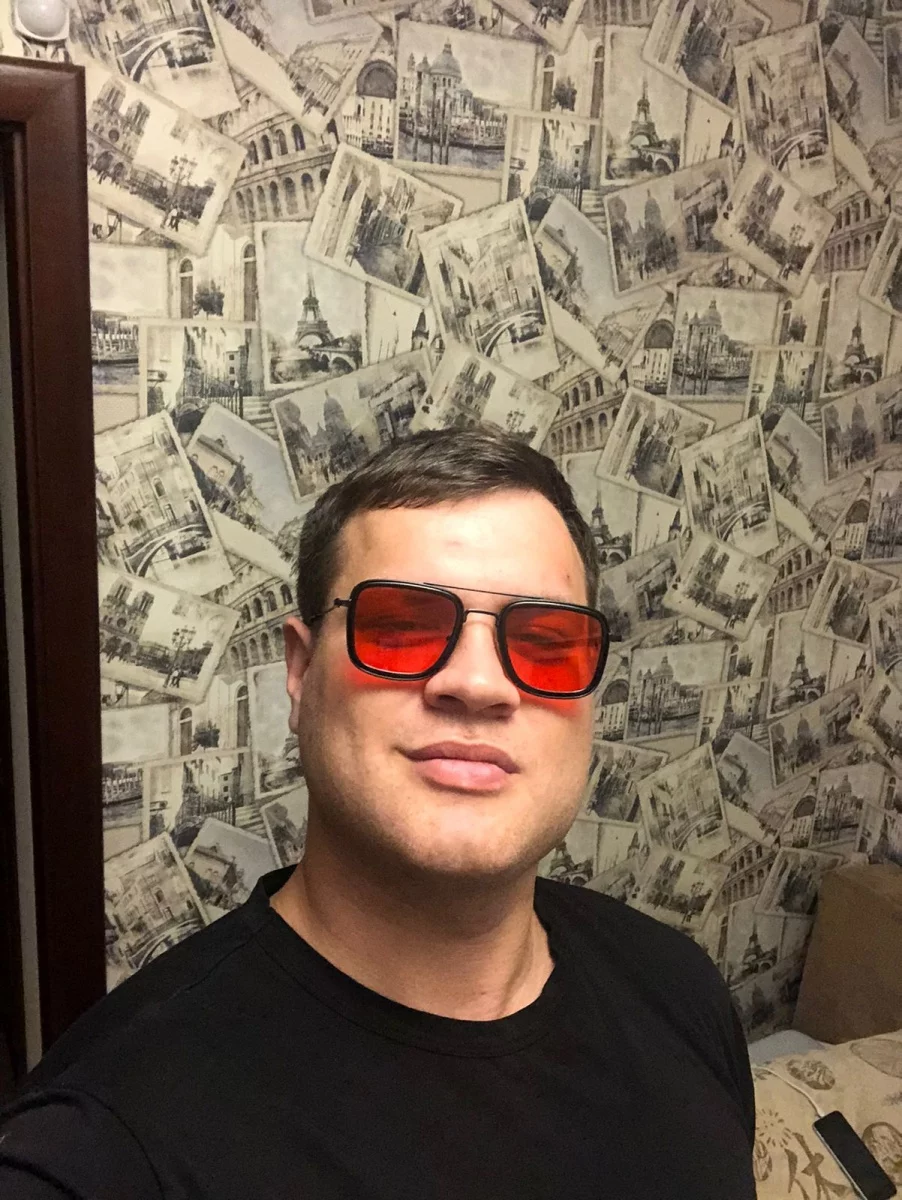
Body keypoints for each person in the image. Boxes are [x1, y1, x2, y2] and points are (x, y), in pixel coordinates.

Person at [0, 428, 756, 1198]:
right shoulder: (99, 1149)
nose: (478, 684)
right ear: (301, 673)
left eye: (546, 642)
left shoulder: (678, 989)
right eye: (401, 627)